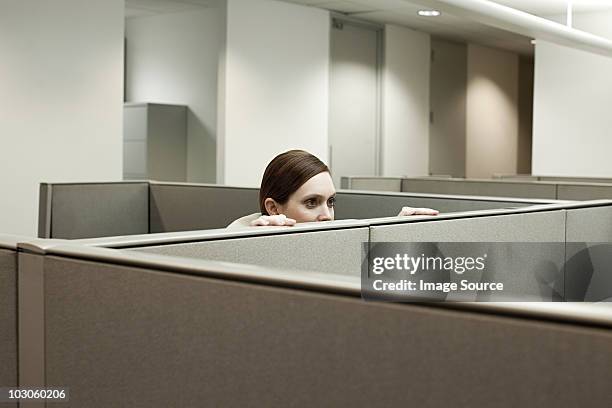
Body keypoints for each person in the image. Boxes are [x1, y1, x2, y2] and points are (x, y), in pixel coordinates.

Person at [227, 150, 438, 228]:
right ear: (273, 209)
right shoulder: (234, 246)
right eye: (311, 202)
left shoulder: (335, 244)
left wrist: (394, 233)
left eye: (331, 202)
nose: (327, 216)